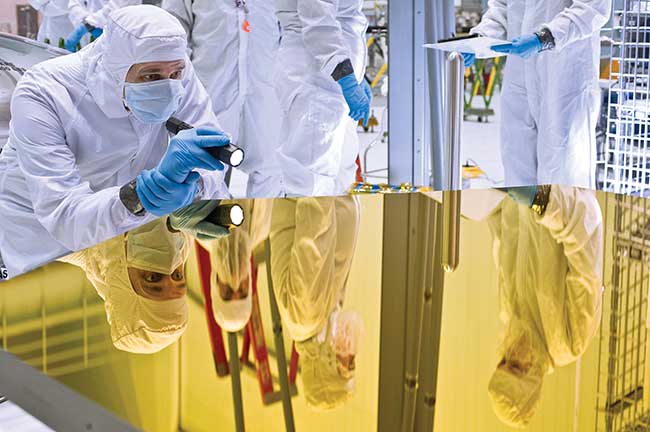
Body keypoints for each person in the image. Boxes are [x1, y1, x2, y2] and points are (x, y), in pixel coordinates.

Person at [0, 5, 231, 280]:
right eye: (150, 76)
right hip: (41, 232)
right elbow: (65, 215)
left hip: (122, 222)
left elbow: (211, 158)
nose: (168, 86)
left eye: (175, 75)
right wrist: (142, 195)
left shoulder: (173, 67)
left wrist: (195, 190)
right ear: (115, 69)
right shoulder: (44, 93)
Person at [486, 185, 603, 427]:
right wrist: (542, 200)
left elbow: (500, 228)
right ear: (533, 381)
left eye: (502, 362)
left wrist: (488, 194)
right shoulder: (570, 341)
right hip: (561, 173)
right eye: (516, 366)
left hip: (516, 169)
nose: (510, 355)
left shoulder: (510, 313)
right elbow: (586, 232)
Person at [465, 0, 611, 188]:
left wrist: (544, 38)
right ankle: (524, 216)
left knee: (562, 167)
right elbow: (501, 8)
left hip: (565, 75)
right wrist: (480, 38)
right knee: (517, 160)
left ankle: (558, 217)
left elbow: (593, 8)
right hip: (519, 75)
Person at [162, 0, 285, 198]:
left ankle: (262, 228)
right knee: (204, 171)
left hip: (265, 93)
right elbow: (173, 32)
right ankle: (205, 227)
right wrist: (178, 85)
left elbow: (290, 29)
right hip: (208, 93)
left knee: (270, 170)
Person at [269, 196, 363, 409]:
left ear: (324, 368)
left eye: (345, 364)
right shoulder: (324, 319)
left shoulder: (307, 315)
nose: (350, 352)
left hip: (317, 173)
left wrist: (334, 165)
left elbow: (316, 217)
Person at [274, 0, 372, 197]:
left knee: (342, 176)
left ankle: (336, 228)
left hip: (332, 82)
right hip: (318, 81)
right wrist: (347, 78)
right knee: (311, 181)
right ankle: (306, 228)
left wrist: (357, 76)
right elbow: (318, 23)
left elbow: (344, 18)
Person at [58, 219, 192, 354]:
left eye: (153, 278)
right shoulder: (187, 231)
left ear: (123, 283)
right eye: (177, 276)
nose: (169, 266)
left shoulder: (64, 236)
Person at [199, 199, 272, 332]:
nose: (235, 282)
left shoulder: (197, 228)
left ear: (216, 285)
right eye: (242, 292)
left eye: (227, 293)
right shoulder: (262, 229)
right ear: (249, 285)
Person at [64, 0, 141, 52]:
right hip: (91, 29)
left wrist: (89, 23)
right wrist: (84, 21)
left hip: (120, 31)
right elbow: (75, 3)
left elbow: (116, 6)